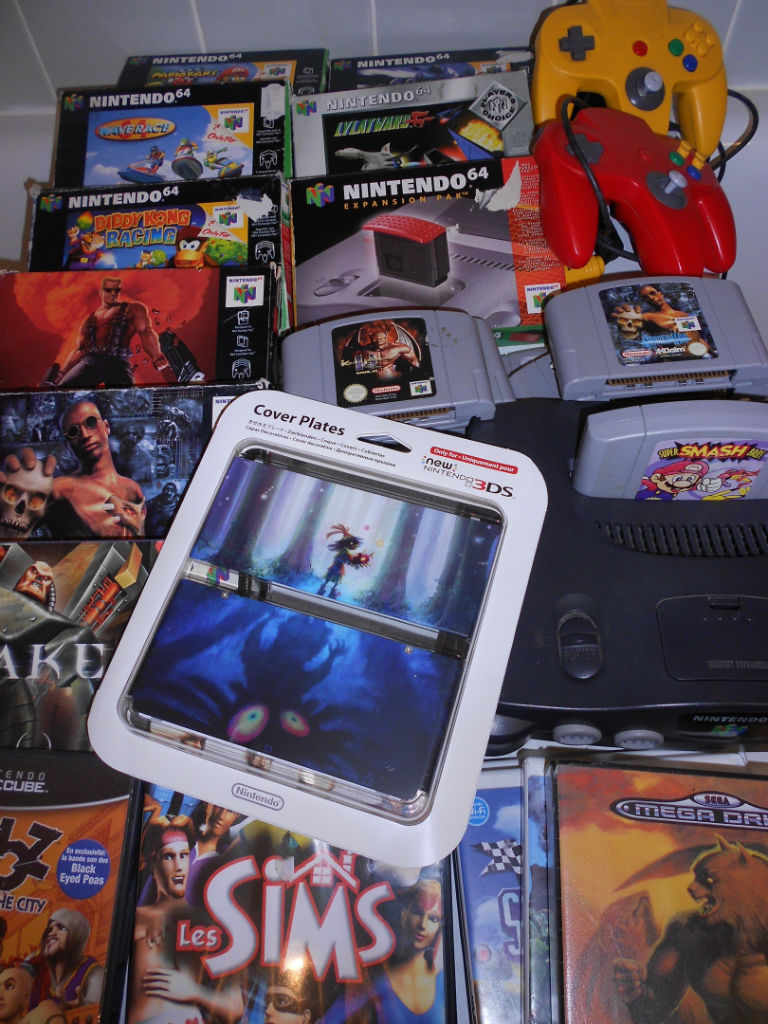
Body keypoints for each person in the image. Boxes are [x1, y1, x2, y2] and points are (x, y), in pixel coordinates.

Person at [129, 817, 243, 1024]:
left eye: (184, 855)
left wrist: (194, 992)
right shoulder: (134, 919)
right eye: (168, 856)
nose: (179, 866)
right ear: (152, 861)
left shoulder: (209, 923)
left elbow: (235, 1009)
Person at [17, 399, 147, 538]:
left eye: (90, 422)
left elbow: (144, 544)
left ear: (106, 426)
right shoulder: (58, 489)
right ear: (67, 445)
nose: (85, 435)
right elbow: (13, 531)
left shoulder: (132, 489)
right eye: (73, 432)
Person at [51, 276, 169, 388]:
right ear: (101, 291)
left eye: (116, 290)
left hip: (118, 363)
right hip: (91, 362)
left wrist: (156, 355)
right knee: (63, 391)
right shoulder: (90, 320)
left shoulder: (133, 309)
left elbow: (146, 333)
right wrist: (63, 372)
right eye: (108, 290)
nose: (113, 293)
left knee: (125, 398)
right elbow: (80, 349)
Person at [38, 909, 104, 1014]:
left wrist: (80, 1011)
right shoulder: (38, 972)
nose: (51, 933)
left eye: (61, 928)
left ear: (77, 935)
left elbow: (97, 1015)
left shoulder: (94, 973)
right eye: (49, 929)